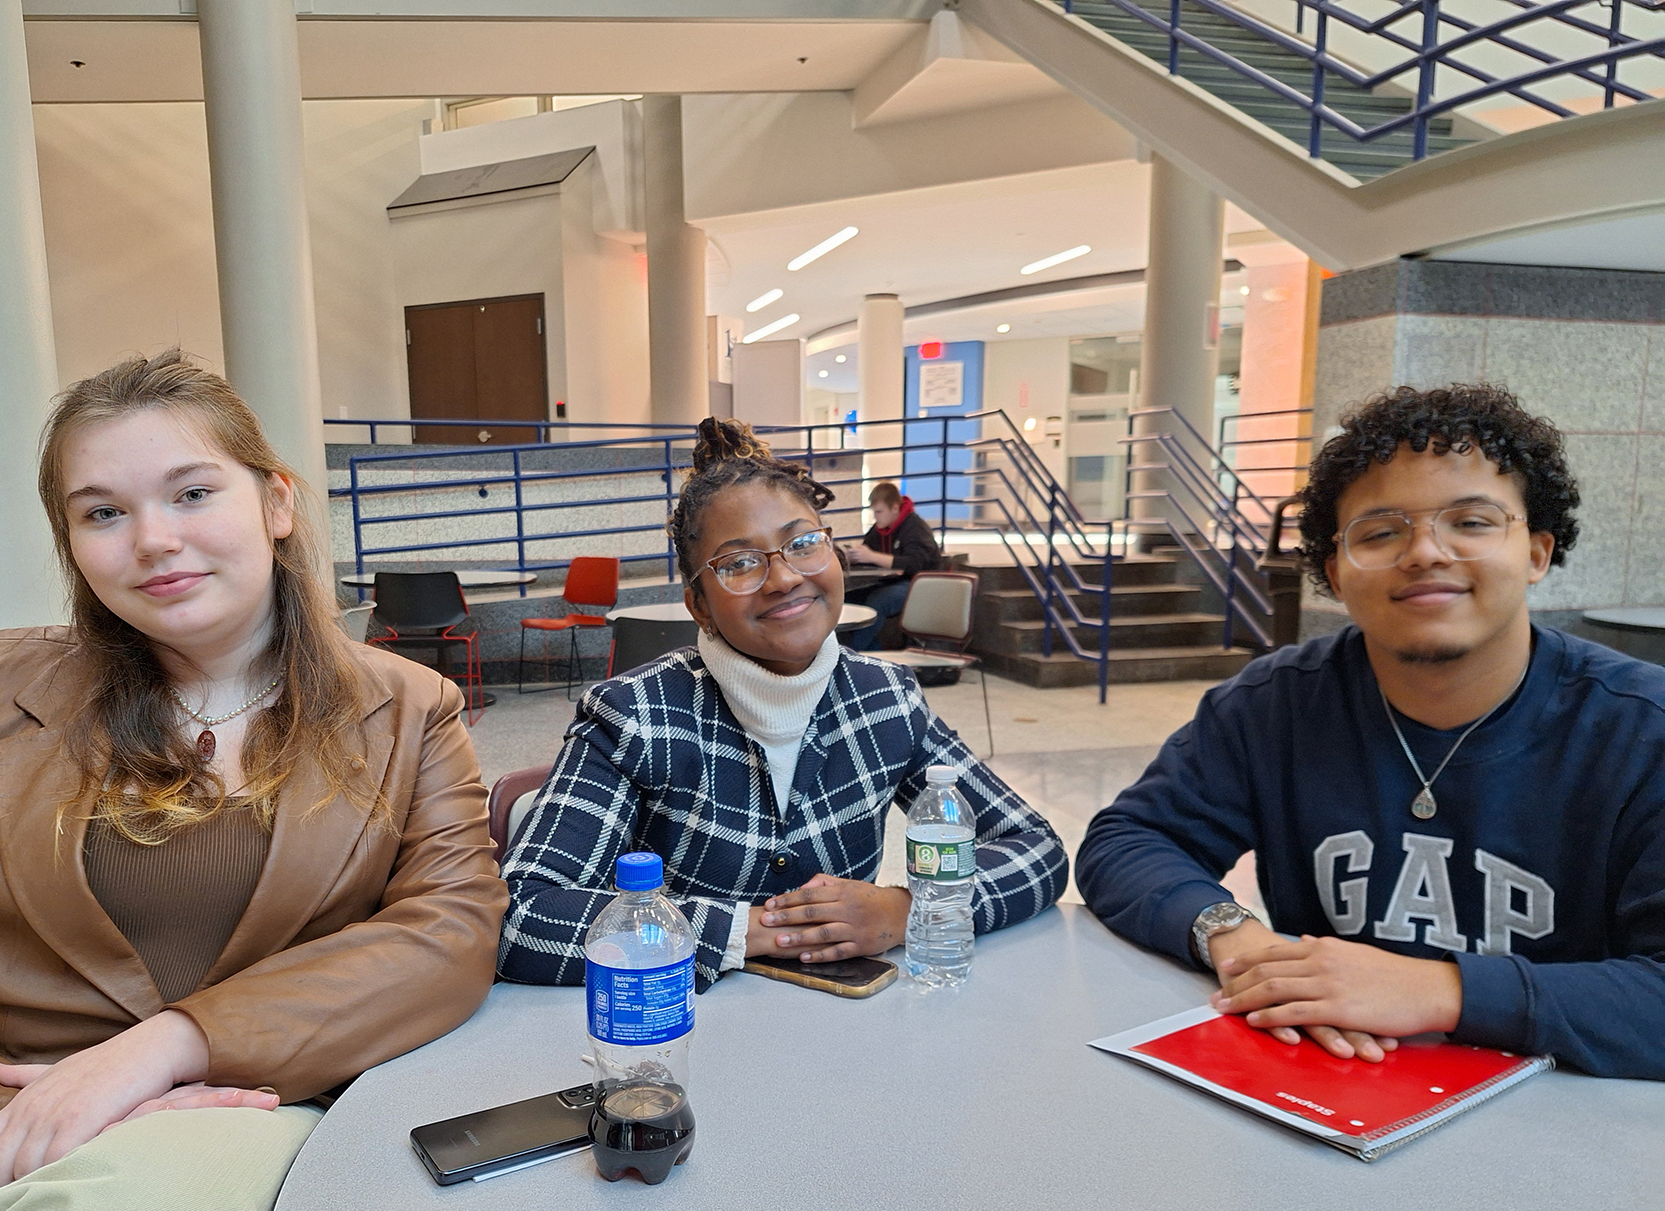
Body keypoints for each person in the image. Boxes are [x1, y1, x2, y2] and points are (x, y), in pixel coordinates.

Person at [0, 351, 508, 1211]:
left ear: (276, 502)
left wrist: (169, 1049)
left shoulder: (407, 711)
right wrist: (30, 1134)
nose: (153, 541)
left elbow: (451, 931)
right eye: (102, 512)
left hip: (254, 1136)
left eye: (192, 492)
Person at [1077, 384, 1665, 1080]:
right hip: (1330, 1096)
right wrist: (1234, 938)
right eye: (1381, 532)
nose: (1424, 552)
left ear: (1537, 552)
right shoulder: (1276, 704)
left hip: (1569, 1122)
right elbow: (1130, 840)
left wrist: (1440, 990)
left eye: (1472, 523)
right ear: (1335, 573)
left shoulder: (1640, 734)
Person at [499, 419, 1066, 990]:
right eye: (740, 563)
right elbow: (521, 918)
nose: (784, 578)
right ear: (699, 604)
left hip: (848, 1036)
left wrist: (905, 907)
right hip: (685, 1034)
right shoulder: (633, 714)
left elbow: (1039, 849)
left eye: (802, 544)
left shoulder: (887, 698)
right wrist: (745, 931)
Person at [842, 481, 941, 650]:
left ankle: (853, 653)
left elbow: (914, 564)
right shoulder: (881, 528)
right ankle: (871, 653)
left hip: (920, 584)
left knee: (878, 602)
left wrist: (872, 556)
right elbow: (869, 551)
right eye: (874, 512)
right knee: (848, 598)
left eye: (879, 512)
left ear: (895, 508)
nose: (876, 517)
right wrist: (856, 557)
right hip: (892, 581)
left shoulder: (915, 527)